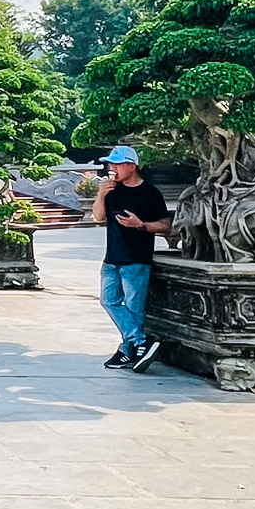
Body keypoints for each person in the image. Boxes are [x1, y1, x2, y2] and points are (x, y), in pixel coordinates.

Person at [90, 145, 172, 370]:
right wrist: (101, 194)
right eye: (110, 164)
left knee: (134, 308)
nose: (112, 168)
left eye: (117, 164)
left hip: (136, 258)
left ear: (131, 166)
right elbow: (98, 217)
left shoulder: (150, 193)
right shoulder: (111, 190)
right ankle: (140, 342)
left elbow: (166, 226)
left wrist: (141, 224)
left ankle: (128, 351)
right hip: (112, 257)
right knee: (108, 300)